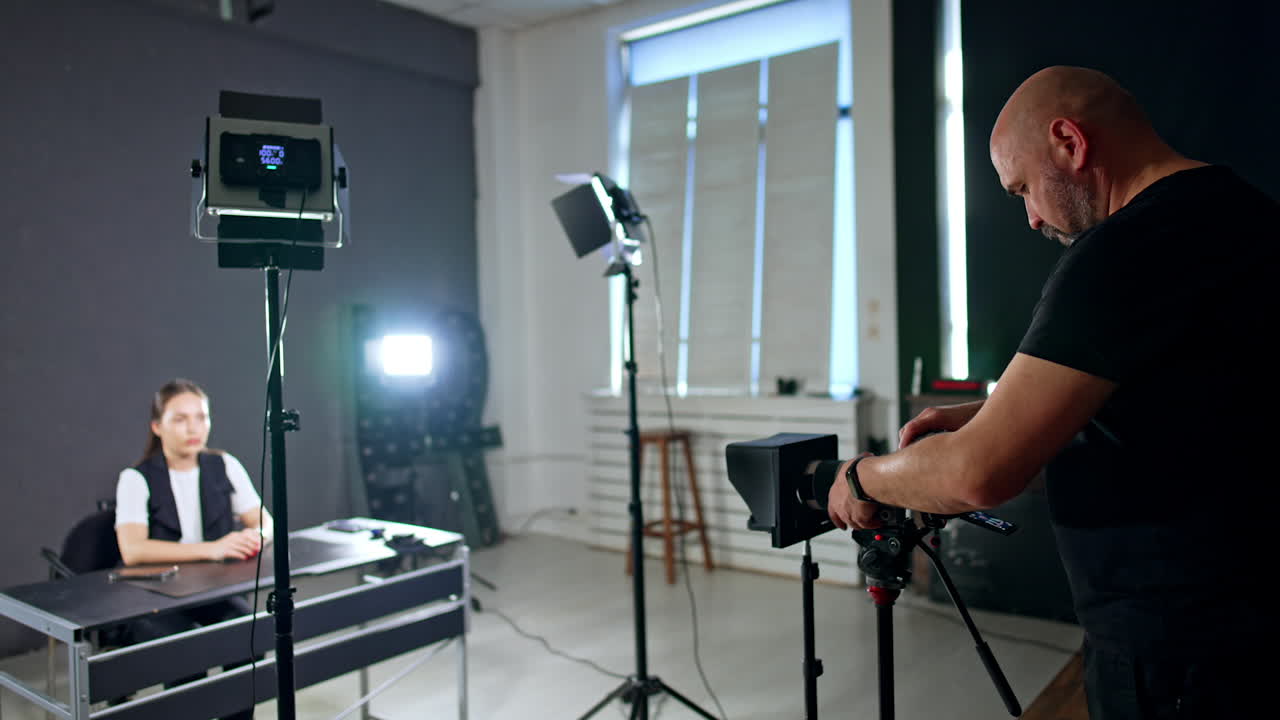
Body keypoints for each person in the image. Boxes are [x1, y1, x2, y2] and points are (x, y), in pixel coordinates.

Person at [825, 66, 1275, 718]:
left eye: (1023, 189)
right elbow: (1177, 390)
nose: (1032, 217)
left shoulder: (1117, 256)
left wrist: (863, 479)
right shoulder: (1246, 216)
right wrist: (997, 413)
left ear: (1069, 141)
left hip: (1177, 655)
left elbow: (978, 474)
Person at [115, 378, 273, 720]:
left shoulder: (224, 465)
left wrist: (256, 535)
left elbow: (264, 521)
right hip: (156, 599)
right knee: (187, 655)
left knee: (247, 633)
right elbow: (133, 550)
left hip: (211, 590)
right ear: (157, 426)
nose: (194, 428)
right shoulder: (136, 478)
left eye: (201, 417)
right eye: (180, 419)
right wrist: (212, 549)